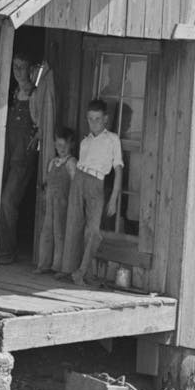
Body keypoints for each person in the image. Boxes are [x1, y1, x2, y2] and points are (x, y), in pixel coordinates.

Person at [59, 100, 124, 286]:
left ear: (105, 119)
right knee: (74, 224)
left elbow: (118, 170)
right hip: (80, 178)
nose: (94, 123)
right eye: (90, 119)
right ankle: (71, 270)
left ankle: (81, 271)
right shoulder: (85, 142)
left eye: (98, 119)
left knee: (93, 231)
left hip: (97, 183)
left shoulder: (112, 139)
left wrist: (113, 199)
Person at [0, 52, 39, 264]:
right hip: (8, 151)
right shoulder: (13, 92)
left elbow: (41, 123)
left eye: (22, 67)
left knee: (8, 200)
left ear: (31, 70)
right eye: (15, 66)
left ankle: (7, 251)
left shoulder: (35, 94)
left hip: (23, 155)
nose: (18, 71)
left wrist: (34, 141)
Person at [36, 127, 77, 275]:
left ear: (71, 145)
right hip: (50, 202)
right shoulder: (52, 162)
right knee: (46, 232)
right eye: (59, 145)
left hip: (63, 204)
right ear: (54, 145)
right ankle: (43, 264)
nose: (62, 149)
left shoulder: (71, 163)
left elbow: (74, 185)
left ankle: (58, 266)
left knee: (60, 233)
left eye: (65, 145)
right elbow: (47, 182)